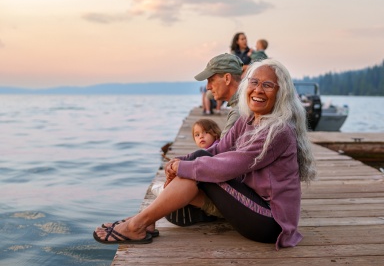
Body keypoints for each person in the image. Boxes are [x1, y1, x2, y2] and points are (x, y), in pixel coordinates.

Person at [93, 59, 316, 249]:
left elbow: (231, 165)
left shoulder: (278, 131)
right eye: (254, 82)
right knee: (199, 158)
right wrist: (183, 160)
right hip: (251, 203)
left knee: (202, 172)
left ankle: (138, 224)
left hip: (272, 223)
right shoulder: (247, 120)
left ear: (281, 93)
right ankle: (145, 221)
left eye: (268, 85)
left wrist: (184, 168)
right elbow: (218, 149)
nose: (258, 89)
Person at [195, 53, 243, 138]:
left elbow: (222, 149)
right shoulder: (245, 103)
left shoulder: (239, 112)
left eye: (211, 80)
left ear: (227, 79)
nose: (208, 87)